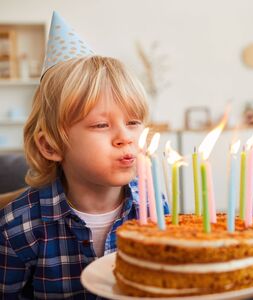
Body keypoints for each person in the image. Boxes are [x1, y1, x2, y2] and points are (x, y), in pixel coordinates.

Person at [0, 13, 168, 299]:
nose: (125, 137)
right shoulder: (17, 227)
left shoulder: (156, 207)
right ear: (51, 146)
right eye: (101, 125)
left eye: (133, 122)